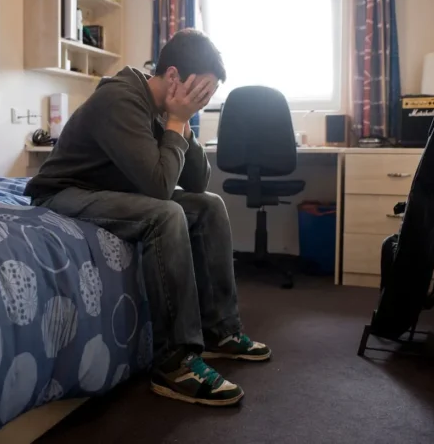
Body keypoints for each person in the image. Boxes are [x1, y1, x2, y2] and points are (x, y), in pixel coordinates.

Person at [24, 29, 270, 407]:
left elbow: (197, 182)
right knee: (166, 214)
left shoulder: (165, 109)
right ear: (173, 77)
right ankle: (174, 363)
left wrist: (183, 122)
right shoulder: (120, 99)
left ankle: (220, 331)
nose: (203, 100)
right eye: (200, 91)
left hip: (111, 189)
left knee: (209, 206)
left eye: (208, 95)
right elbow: (158, 188)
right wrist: (176, 122)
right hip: (65, 192)